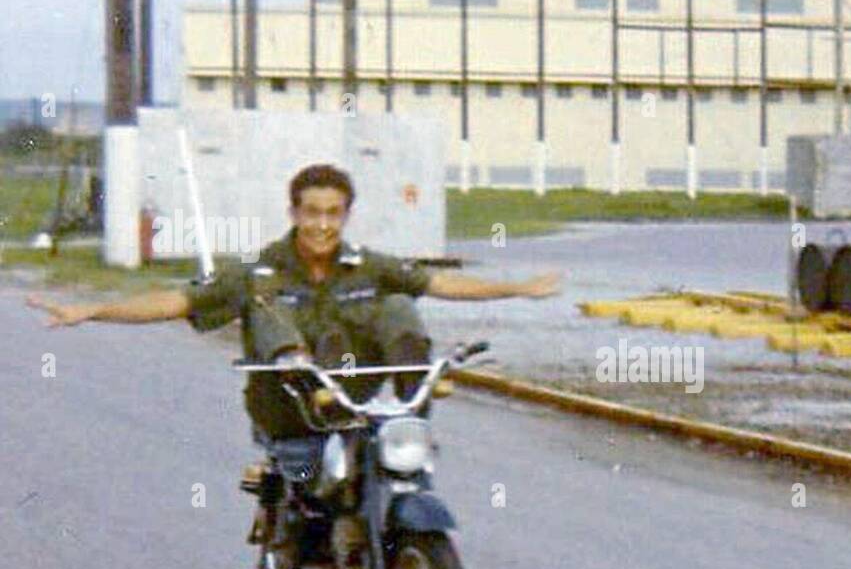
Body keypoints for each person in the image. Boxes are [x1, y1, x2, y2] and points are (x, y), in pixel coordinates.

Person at [28, 163, 559, 438]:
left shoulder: (368, 265)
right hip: (290, 411)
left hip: (360, 405)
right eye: (312, 212)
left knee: (398, 303)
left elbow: (439, 284)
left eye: (333, 213)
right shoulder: (260, 270)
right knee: (264, 305)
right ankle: (297, 367)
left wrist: (518, 287)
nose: (322, 224)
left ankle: (412, 377)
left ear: (345, 216)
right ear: (294, 213)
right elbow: (177, 301)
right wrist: (90, 311)